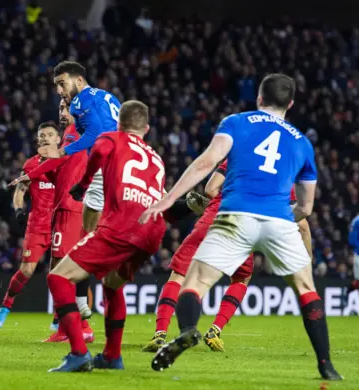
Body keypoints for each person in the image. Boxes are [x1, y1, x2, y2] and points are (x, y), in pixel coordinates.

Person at [141, 73, 342, 380]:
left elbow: (206, 165)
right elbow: (306, 208)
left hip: (234, 214)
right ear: (290, 103)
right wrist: (284, 216)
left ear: (259, 98)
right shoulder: (302, 143)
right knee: (306, 290)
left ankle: (188, 331)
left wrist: (169, 199)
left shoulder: (237, 122)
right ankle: (326, 364)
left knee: (193, 282)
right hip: (279, 219)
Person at [47, 100, 166, 372]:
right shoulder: (156, 157)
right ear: (146, 128)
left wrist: (83, 184)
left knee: (57, 277)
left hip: (122, 226)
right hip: (152, 231)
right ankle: (112, 356)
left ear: (119, 123)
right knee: (112, 284)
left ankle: (78, 353)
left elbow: (99, 150)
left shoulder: (112, 138)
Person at [40, 61, 121, 322]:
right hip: (124, 166)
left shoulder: (79, 101)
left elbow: (96, 133)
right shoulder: (107, 97)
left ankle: (79, 300)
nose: (60, 91)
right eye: (57, 86)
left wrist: (62, 151)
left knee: (87, 236)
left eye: (62, 84)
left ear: (78, 80)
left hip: (104, 168)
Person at [6, 99, 93, 342]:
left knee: (61, 271)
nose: (62, 113)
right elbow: (60, 169)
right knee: (66, 267)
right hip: (66, 210)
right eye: (60, 109)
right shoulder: (73, 134)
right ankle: (76, 326)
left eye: (65, 108)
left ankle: (74, 329)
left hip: (69, 209)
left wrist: (33, 172)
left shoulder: (76, 133)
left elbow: (58, 160)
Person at [0, 123, 56, 326]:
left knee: (58, 274)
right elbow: (20, 191)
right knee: (27, 270)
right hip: (37, 225)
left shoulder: (65, 162)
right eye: (42, 135)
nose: (45, 138)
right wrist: (19, 211)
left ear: (58, 139)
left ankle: (58, 318)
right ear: (38, 141)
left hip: (60, 225)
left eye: (50, 134)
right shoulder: (31, 164)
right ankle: (5, 306)